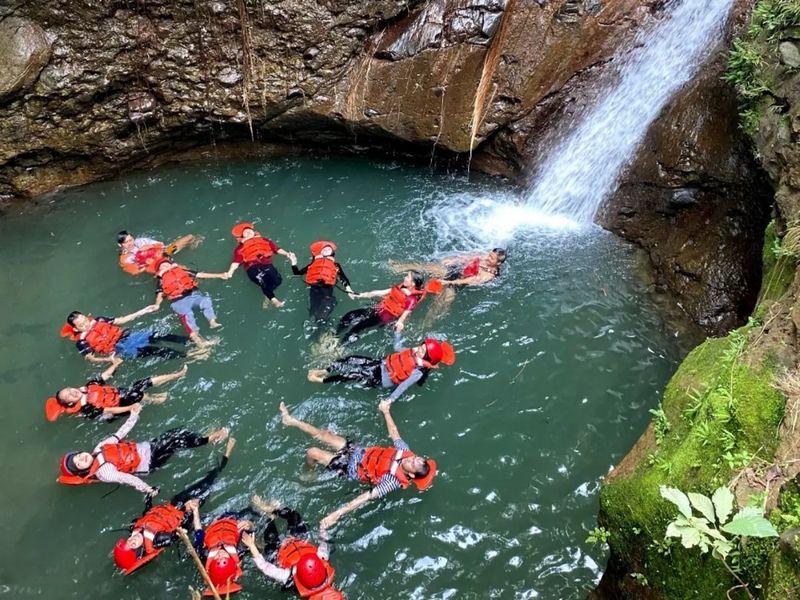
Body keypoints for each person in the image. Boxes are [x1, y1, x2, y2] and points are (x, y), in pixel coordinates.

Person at [279, 400, 436, 529]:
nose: (410, 459)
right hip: (358, 452)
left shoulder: (392, 481)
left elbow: (365, 497)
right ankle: (290, 421)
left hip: (350, 467)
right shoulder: (405, 452)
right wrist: (386, 411)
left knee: (312, 452)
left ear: (411, 474)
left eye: (412, 464)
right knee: (323, 435)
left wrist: (337, 514)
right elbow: (394, 433)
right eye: (414, 458)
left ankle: (310, 473)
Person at [113, 437, 236, 575]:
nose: (133, 539)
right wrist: (189, 509)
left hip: (174, 503)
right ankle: (226, 456)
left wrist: (148, 499)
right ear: (139, 551)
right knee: (211, 481)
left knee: (203, 483)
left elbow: (147, 515)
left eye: (129, 540)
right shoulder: (158, 541)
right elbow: (178, 532)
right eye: (133, 544)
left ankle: (212, 481)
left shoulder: (134, 528)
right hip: (186, 512)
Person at [57, 405, 229, 494]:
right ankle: (211, 438)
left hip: (147, 447)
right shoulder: (104, 472)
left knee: (175, 432)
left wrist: (134, 415)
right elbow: (128, 479)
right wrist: (148, 489)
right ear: (83, 470)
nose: (82, 459)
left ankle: (202, 439)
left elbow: (119, 434)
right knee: (176, 441)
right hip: (149, 462)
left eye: (79, 456)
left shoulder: (99, 448)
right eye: (79, 463)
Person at [307, 335, 455, 402]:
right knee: (351, 359)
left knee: (350, 375)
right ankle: (325, 370)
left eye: (422, 352)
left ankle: (320, 380)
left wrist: (389, 401)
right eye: (421, 347)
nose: (418, 351)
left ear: (426, 359)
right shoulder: (412, 352)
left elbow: (402, 386)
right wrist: (397, 333)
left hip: (379, 379)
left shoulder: (417, 372)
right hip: (379, 364)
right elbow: (398, 347)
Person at [241, 503, 342, 600]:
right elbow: (326, 542)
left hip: (279, 551)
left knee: (270, 535)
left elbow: (264, 566)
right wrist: (323, 528)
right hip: (298, 541)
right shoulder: (322, 557)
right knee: (295, 516)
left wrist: (251, 545)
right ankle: (273, 508)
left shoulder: (286, 576)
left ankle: (269, 517)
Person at [45, 358, 187, 422]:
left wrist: (115, 364)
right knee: (136, 393)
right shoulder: (87, 408)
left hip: (120, 395)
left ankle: (177, 375)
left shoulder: (88, 387)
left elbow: (104, 376)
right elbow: (109, 411)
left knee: (141, 383)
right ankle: (157, 400)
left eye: (69, 390)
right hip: (119, 408)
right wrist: (131, 407)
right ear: (70, 403)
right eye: (69, 396)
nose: (72, 392)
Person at [190, 495, 276, 596]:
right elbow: (252, 530)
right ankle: (267, 510)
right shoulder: (239, 549)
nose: (221, 554)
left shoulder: (203, 552)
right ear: (233, 563)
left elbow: (198, 530)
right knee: (256, 519)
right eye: (224, 557)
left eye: (217, 558)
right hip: (236, 519)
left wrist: (195, 511)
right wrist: (248, 524)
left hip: (214, 520)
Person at [60, 309, 189, 362]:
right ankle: (188, 356)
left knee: (159, 336)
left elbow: (121, 320)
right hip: (121, 348)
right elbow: (90, 358)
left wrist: (143, 311)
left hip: (128, 336)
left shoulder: (99, 320)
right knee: (156, 350)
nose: (87, 325)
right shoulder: (81, 342)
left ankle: (191, 342)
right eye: (82, 325)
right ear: (76, 328)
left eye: (86, 321)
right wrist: (108, 359)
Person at [151, 257, 228, 345]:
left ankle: (212, 322)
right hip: (178, 302)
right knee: (189, 320)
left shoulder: (182, 271)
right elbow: (160, 294)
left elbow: (200, 275)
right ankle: (199, 342)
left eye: (167, 264)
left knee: (205, 301)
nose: (166, 266)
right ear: (159, 271)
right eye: (163, 266)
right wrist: (157, 304)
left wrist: (220, 275)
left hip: (193, 295)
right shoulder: (161, 280)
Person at [336, 270, 428, 341]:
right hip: (379, 308)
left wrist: (399, 323)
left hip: (384, 317)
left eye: (407, 277)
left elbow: (404, 316)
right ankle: (335, 336)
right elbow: (380, 292)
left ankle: (340, 346)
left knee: (358, 327)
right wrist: (361, 295)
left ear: (413, 284)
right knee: (350, 315)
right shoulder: (401, 287)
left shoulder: (412, 299)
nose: (404, 277)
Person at [290, 241, 354, 338]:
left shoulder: (335, 265)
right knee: (314, 314)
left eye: (329, 249)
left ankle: (321, 336)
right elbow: (297, 273)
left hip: (326, 295)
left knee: (322, 316)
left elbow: (343, 278)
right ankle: (319, 336)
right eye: (325, 249)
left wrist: (349, 290)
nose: (328, 249)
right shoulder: (312, 265)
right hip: (314, 292)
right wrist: (293, 262)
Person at [224, 222, 295, 308]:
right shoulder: (240, 248)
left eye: (250, 230)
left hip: (267, 264)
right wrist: (230, 272)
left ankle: (267, 295)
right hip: (252, 267)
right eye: (245, 232)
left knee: (278, 281)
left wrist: (287, 254)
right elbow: (236, 262)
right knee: (263, 282)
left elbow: (276, 249)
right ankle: (274, 300)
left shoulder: (265, 240)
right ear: (242, 237)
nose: (248, 232)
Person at [390, 248, 507, 287]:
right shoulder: (485, 256)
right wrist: (454, 260)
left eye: (491, 258)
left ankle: (426, 324)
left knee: (443, 302)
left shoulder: (489, 275)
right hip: (456, 271)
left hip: (458, 283)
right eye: (489, 255)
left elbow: (470, 280)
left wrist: (447, 283)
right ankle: (398, 268)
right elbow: (468, 258)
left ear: (498, 263)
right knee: (428, 267)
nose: (487, 258)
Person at [117, 230, 198, 276]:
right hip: (154, 266)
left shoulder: (141, 241)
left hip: (164, 253)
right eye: (125, 242)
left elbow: (161, 245)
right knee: (184, 271)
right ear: (120, 245)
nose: (130, 243)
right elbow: (135, 272)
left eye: (130, 240)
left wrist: (150, 246)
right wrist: (146, 263)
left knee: (189, 237)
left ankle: (191, 245)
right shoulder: (125, 259)